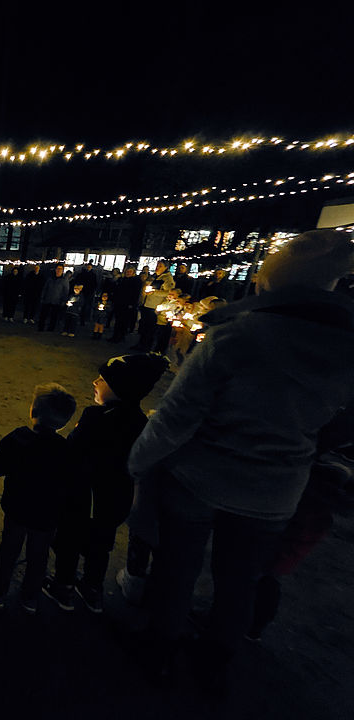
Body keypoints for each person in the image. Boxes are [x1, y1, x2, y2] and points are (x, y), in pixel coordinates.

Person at [127, 230, 354, 686]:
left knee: (177, 570)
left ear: (270, 283)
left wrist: (138, 461)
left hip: (200, 478)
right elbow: (344, 426)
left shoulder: (238, 336)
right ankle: (214, 659)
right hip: (275, 490)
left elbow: (177, 416)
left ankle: (159, 649)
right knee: (240, 581)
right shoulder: (346, 348)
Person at [43, 354, 168, 614]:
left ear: (121, 388)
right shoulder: (142, 423)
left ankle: (63, 588)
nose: (95, 382)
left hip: (83, 499)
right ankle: (92, 590)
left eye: (102, 379)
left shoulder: (95, 417)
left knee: (69, 542)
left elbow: (71, 451)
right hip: (114, 503)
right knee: (100, 546)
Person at [0, 384, 76, 613]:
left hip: (16, 509)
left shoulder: (18, 438)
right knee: (39, 556)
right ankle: (30, 597)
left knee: (9, 550)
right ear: (64, 421)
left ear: (33, 411)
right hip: (47, 516)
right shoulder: (65, 450)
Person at [132, 259, 174, 351]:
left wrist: (154, 292)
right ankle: (141, 344)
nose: (157, 267)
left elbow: (168, 292)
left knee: (150, 328)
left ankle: (146, 346)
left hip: (154, 306)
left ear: (166, 267)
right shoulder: (155, 276)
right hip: (146, 304)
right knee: (144, 326)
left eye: (160, 266)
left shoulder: (167, 278)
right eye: (157, 265)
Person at [110, 266, 143, 343]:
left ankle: (121, 336)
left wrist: (132, 304)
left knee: (124, 321)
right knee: (118, 320)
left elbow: (136, 294)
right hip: (119, 303)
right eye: (127, 271)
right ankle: (115, 335)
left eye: (130, 272)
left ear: (133, 272)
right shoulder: (122, 280)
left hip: (128, 304)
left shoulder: (136, 281)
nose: (128, 273)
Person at [38, 264, 67, 331]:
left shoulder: (64, 281)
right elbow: (45, 289)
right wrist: (42, 297)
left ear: (62, 271)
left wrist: (63, 301)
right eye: (58, 268)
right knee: (43, 315)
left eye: (60, 269)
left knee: (54, 316)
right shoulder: (50, 279)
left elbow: (65, 292)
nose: (59, 270)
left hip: (57, 301)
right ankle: (41, 327)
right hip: (47, 299)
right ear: (55, 269)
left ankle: (51, 328)